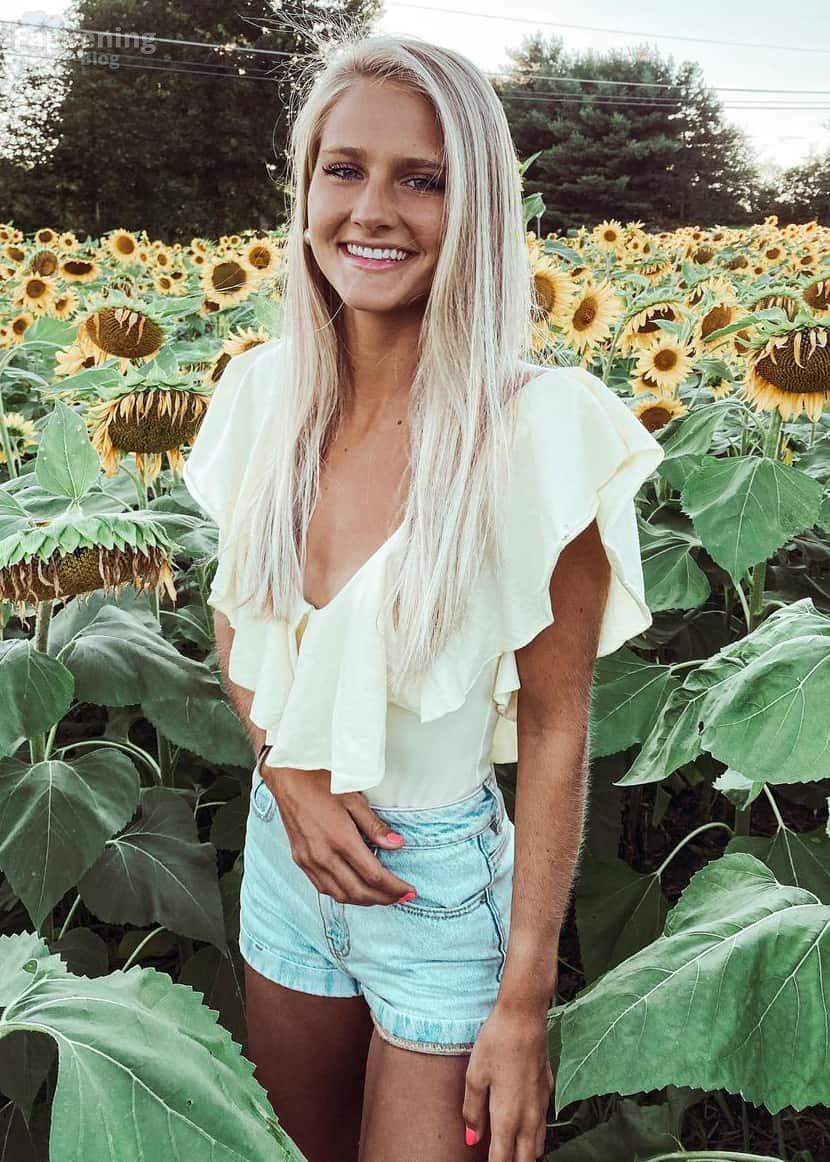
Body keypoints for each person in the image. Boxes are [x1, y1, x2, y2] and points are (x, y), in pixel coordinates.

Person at [182, 32, 665, 1162]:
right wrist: (284, 770)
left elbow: (554, 727)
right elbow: (237, 612)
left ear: (477, 207)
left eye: (422, 180)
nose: (372, 210)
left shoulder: (538, 433)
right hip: (286, 851)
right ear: (306, 190)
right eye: (344, 169)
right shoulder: (263, 394)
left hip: (436, 888)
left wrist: (523, 998)